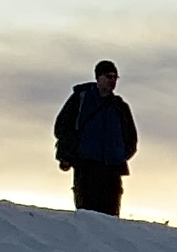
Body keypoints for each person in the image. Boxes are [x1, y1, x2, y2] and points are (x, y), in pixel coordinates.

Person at [53, 61, 138, 216]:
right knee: (87, 218)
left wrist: (120, 155)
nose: (112, 81)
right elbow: (62, 126)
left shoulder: (120, 107)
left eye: (115, 77)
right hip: (86, 167)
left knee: (110, 220)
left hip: (111, 170)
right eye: (108, 76)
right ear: (98, 77)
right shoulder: (81, 99)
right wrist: (70, 154)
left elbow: (131, 139)